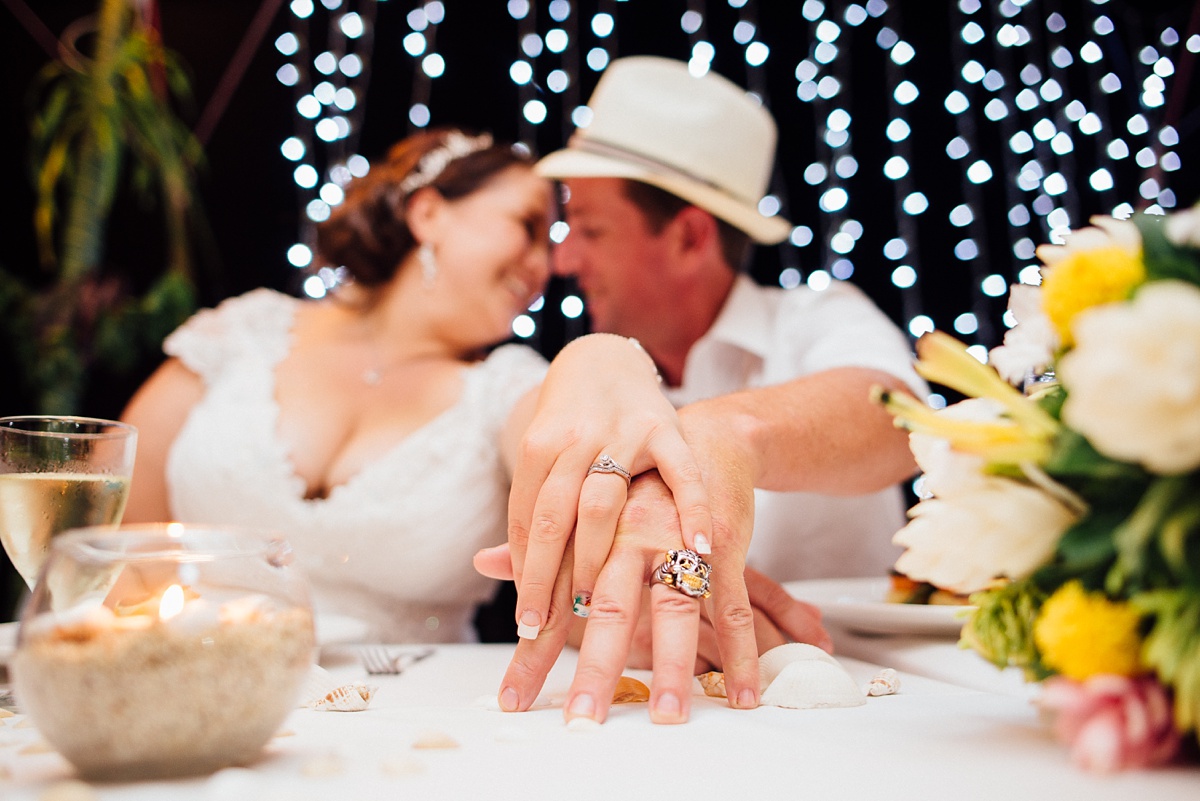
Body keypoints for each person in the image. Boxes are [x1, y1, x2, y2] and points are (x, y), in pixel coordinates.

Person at [119, 127, 700, 644]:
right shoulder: (242, 334)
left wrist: (605, 360)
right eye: (527, 227)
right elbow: (112, 541)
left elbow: (580, 469)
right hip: (195, 689)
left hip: (411, 728)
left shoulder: (507, 386)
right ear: (428, 215)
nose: (545, 266)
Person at [488, 56, 928, 724]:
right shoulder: (590, 381)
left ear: (690, 236)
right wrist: (604, 605)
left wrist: (718, 436)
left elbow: (902, 420)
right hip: (649, 724)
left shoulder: (819, 317)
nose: (564, 260)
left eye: (591, 229)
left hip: (866, 706)